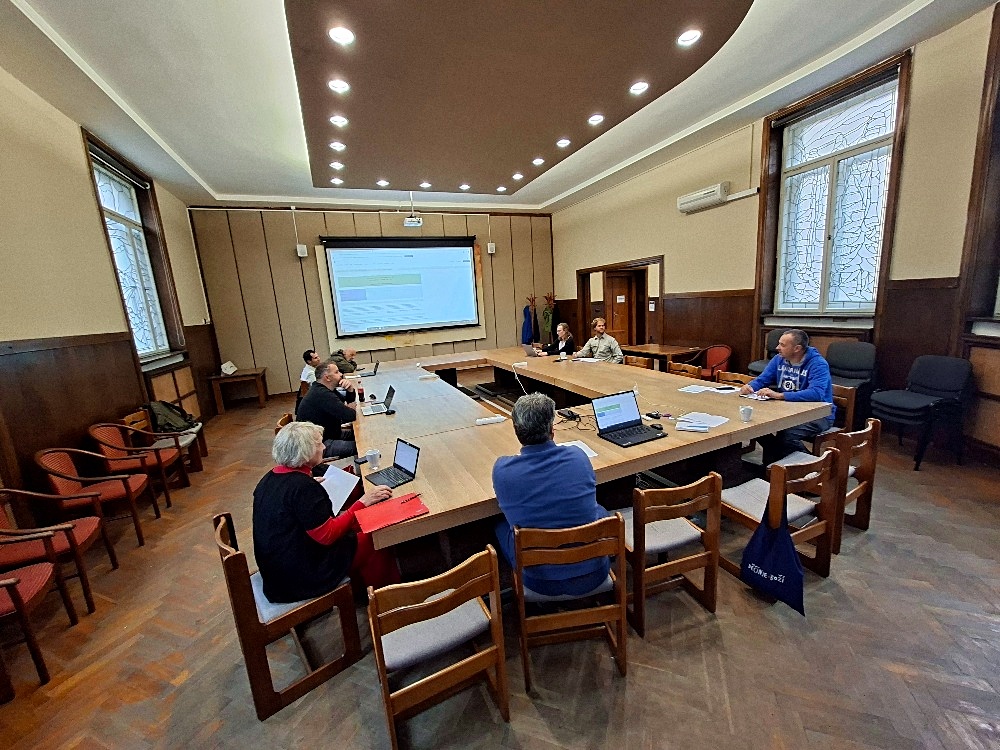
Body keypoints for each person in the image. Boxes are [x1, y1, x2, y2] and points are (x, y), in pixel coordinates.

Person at [253, 422, 400, 603]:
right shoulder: (302, 488)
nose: (323, 447)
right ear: (305, 452)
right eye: (319, 444)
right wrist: (363, 502)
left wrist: (310, 486)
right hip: (300, 576)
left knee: (357, 529)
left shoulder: (270, 478)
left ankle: (360, 590)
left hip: (278, 568)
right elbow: (327, 535)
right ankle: (386, 602)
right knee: (373, 538)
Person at [493, 393, 610, 596]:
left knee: (499, 526)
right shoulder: (578, 456)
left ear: (516, 431)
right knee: (599, 510)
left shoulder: (502, 470)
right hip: (595, 573)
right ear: (552, 430)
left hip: (540, 583)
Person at [739, 329, 835, 465]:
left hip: (819, 415)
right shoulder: (779, 359)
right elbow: (763, 379)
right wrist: (750, 387)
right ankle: (772, 469)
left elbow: (816, 393)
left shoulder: (818, 364)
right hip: (788, 409)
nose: (777, 348)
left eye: (782, 345)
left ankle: (816, 466)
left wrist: (781, 395)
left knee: (786, 436)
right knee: (756, 428)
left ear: (797, 348)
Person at [296, 360, 358, 457]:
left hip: (331, 433)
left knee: (363, 436)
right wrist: (349, 409)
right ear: (327, 378)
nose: (341, 374)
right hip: (319, 445)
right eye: (337, 372)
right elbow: (350, 415)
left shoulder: (323, 389)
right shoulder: (322, 394)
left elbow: (345, 403)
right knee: (362, 446)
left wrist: (350, 389)